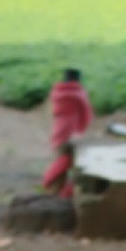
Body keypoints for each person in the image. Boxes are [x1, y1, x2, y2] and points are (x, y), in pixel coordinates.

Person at [40, 68, 93, 198]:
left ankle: (54, 187)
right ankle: (54, 186)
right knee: (67, 160)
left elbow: (51, 112)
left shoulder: (56, 92)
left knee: (59, 156)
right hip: (71, 131)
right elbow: (86, 115)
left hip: (58, 130)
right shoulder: (79, 93)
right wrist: (81, 130)